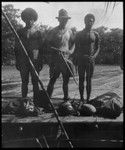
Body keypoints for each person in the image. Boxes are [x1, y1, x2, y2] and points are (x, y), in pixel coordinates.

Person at [14, 8, 43, 106]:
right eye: (27, 19)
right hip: (23, 59)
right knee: (24, 81)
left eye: (31, 19)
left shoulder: (38, 33)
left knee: (35, 82)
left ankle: (37, 102)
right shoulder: (20, 32)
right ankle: (24, 102)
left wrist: (40, 61)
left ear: (34, 20)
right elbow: (16, 48)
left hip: (35, 59)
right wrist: (17, 61)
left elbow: (41, 48)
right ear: (24, 20)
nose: (29, 21)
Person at [44, 9, 75, 101]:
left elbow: (73, 43)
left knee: (66, 80)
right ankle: (48, 100)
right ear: (58, 19)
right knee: (53, 79)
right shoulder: (53, 31)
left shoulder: (70, 31)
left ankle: (66, 99)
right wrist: (54, 49)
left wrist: (71, 51)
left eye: (66, 19)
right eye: (62, 19)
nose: (64, 21)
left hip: (66, 59)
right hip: (55, 59)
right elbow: (46, 44)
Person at [74, 13, 100, 103]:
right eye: (88, 21)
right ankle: (81, 98)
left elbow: (98, 48)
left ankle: (88, 99)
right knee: (81, 80)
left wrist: (94, 57)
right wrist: (81, 56)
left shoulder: (96, 34)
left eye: (91, 21)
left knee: (89, 80)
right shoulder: (79, 34)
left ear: (93, 22)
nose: (90, 22)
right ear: (85, 21)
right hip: (81, 60)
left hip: (91, 61)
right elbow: (76, 48)